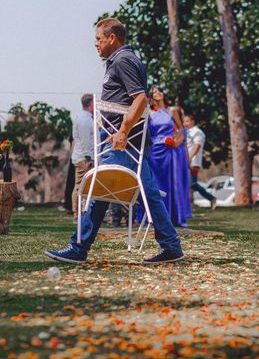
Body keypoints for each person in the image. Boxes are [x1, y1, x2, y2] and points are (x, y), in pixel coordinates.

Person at [45, 18, 184, 265]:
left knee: (101, 188)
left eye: (99, 39)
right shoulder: (120, 61)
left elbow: (140, 99)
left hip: (124, 142)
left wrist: (122, 131)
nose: (95, 44)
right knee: (147, 193)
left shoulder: (123, 60)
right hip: (126, 140)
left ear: (112, 38)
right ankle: (171, 246)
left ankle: (78, 247)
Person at [142, 86, 191, 226]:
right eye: (154, 92)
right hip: (155, 152)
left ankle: (176, 217)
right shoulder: (149, 113)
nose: (158, 93)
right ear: (151, 97)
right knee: (157, 184)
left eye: (159, 91)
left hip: (170, 151)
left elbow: (182, 129)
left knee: (172, 183)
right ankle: (156, 217)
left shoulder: (172, 111)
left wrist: (177, 142)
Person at [183, 114, 217, 210]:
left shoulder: (197, 132)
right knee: (188, 183)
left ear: (193, 121)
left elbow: (197, 146)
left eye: (187, 121)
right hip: (185, 160)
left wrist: (189, 158)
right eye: (184, 121)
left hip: (193, 161)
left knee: (192, 183)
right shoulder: (185, 132)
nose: (185, 123)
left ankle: (211, 198)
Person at [71, 94, 94, 220]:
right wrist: (89, 159)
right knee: (80, 185)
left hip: (82, 156)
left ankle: (81, 211)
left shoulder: (82, 117)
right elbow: (86, 141)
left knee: (82, 186)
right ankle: (77, 213)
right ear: (90, 104)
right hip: (84, 158)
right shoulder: (85, 120)